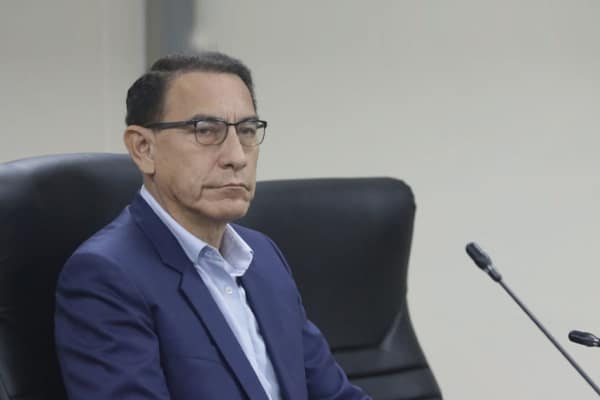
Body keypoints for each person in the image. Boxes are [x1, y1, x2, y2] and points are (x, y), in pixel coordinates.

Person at [54, 52, 370, 400]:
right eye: (205, 131)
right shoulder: (106, 276)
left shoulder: (263, 256)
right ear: (144, 148)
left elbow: (336, 395)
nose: (237, 156)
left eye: (246, 131)